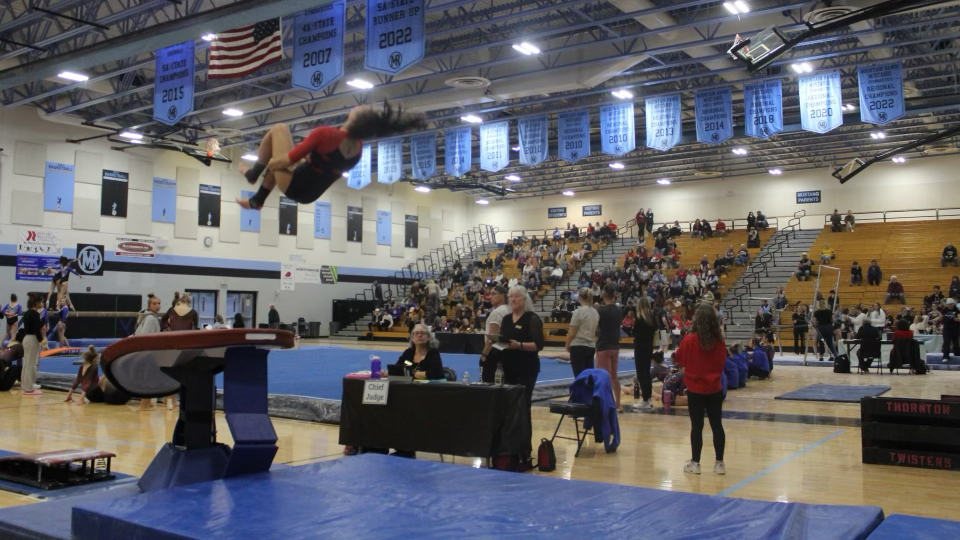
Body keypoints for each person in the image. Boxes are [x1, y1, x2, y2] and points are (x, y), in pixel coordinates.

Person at [238, 103, 426, 210]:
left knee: (279, 130)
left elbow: (287, 160)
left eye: (361, 108)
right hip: (310, 193)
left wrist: (271, 164)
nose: (359, 106)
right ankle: (258, 200)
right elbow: (323, 168)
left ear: (355, 118)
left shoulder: (326, 135)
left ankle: (253, 174)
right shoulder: (358, 150)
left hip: (295, 184)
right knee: (288, 161)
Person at [674, 303, 727, 475]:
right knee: (717, 425)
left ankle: (695, 463)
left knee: (697, 427)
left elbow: (680, 360)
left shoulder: (689, 340)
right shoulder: (719, 342)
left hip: (695, 390)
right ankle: (719, 463)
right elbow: (722, 363)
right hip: (714, 388)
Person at [499, 286, 544, 467]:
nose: (512, 300)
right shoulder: (506, 319)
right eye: (510, 297)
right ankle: (509, 446)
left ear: (524, 299)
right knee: (509, 408)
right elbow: (502, 340)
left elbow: (538, 345)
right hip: (508, 367)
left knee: (523, 407)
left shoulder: (532, 319)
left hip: (526, 368)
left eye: (516, 297)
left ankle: (525, 447)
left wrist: (519, 345)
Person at [595, 284, 623, 412]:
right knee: (614, 377)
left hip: (603, 346)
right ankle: (618, 403)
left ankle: (606, 403)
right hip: (615, 346)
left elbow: (597, 328)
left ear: (605, 294)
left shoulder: (601, 310)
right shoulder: (618, 310)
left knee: (602, 376)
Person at [16, 293, 46, 396]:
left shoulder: (27, 313)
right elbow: (37, 330)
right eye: (41, 301)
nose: (42, 303)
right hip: (32, 338)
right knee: (31, 363)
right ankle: (28, 389)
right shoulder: (35, 314)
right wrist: (42, 341)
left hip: (26, 338)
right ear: (36, 303)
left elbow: (35, 324)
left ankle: (25, 385)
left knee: (27, 363)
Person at [565, 288, 598, 377]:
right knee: (589, 375)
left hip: (578, 346)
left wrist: (567, 344)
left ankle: (580, 391)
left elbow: (572, 333)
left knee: (579, 376)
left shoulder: (578, 312)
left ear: (579, 297)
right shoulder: (595, 312)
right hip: (591, 346)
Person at [632, 296, 657, 411]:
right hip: (649, 347)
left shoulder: (639, 318)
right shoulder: (652, 318)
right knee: (646, 373)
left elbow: (634, 332)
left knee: (641, 373)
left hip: (640, 348)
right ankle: (648, 398)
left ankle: (645, 399)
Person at [480, 286, 509, 383]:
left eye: (493, 294)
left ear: (502, 296)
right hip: (505, 350)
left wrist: (484, 354)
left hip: (494, 353)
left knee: (489, 381)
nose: (489, 297)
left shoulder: (497, 313)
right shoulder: (508, 309)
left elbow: (492, 338)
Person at [936, 298, 960, 363]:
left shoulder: (956, 309)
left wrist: (956, 319)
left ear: (953, 304)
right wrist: (935, 319)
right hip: (947, 329)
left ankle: (957, 355)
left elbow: (959, 318)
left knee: (956, 343)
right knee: (946, 343)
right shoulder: (944, 309)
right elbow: (941, 316)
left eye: (951, 304)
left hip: (955, 329)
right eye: (949, 304)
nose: (950, 306)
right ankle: (946, 356)